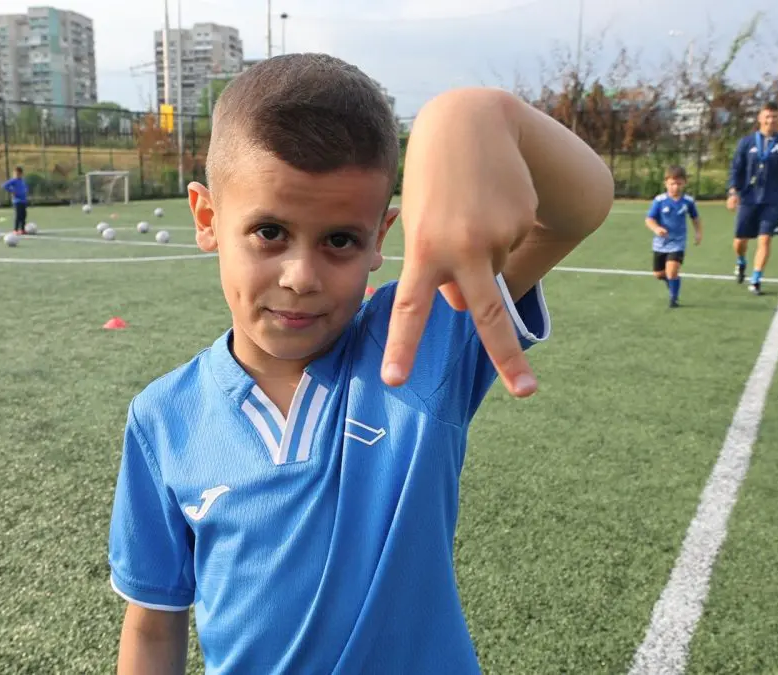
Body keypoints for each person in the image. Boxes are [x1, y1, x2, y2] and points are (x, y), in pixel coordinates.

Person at [107, 54, 613, 675]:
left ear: (381, 237)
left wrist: (475, 114)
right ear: (208, 218)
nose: (301, 277)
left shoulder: (421, 337)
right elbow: (153, 625)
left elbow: (579, 208)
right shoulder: (162, 418)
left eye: (340, 240)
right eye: (269, 232)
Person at [726, 101, 778, 295]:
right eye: (767, 116)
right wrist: (733, 193)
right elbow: (736, 169)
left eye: (774, 117)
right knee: (740, 241)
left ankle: (756, 279)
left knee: (765, 240)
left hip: (772, 199)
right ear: (760, 118)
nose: (771, 120)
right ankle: (741, 261)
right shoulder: (746, 142)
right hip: (748, 198)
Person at [645, 165, 702, 308]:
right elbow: (649, 219)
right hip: (660, 243)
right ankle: (672, 282)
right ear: (666, 183)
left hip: (678, 243)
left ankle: (673, 298)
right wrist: (656, 228)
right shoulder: (659, 200)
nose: (675, 187)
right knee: (659, 274)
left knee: (671, 271)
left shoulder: (688, 201)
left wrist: (698, 232)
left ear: (684, 183)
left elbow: (695, 218)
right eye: (672, 183)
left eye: (679, 183)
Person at [2, 166, 29, 234]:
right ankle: (15, 230)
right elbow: (4, 185)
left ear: (21, 174)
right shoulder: (13, 180)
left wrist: (25, 192)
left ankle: (22, 229)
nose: (17, 175)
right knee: (18, 215)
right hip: (17, 201)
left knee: (24, 215)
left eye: (19, 174)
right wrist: (12, 191)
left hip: (23, 201)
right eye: (16, 174)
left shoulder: (23, 181)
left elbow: (25, 188)